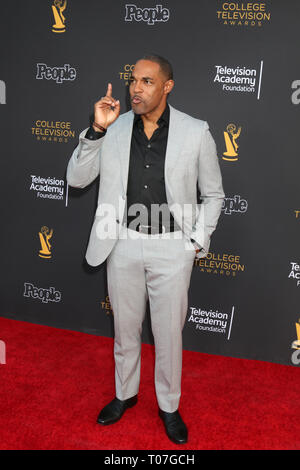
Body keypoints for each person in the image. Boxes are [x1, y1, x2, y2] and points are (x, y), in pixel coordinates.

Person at [66, 54, 224, 445]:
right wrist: (97, 132)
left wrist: (194, 242)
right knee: (125, 329)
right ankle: (125, 393)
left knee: (169, 332)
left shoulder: (195, 131)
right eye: (133, 80)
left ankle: (169, 405)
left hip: (173, 245)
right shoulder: (114, 128)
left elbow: (215, 195)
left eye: (147, 81)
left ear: (167, 86)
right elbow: (77, 178)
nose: (136, 88)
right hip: (122, 241)